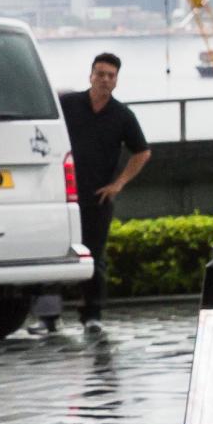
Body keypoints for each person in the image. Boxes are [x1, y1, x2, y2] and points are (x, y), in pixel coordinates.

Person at [56, 53, 149, 327]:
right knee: (57, 253)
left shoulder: (122, 115)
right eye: (100, 74)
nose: (105, 79)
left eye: (110, 75)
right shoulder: (69, 104)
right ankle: (50, 315)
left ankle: (92, 314)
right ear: (91, 76)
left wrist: (118, 184)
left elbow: (142, 152)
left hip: (99, 197)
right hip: (65, 195)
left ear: (116, 80)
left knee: (95, 256)